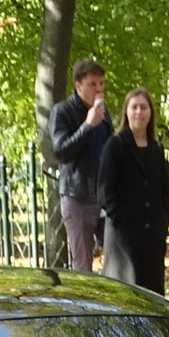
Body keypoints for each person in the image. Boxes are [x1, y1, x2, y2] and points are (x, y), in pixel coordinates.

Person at [100, 86, 169, 294]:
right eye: (134, 107)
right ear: (126, 112)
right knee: (126, 295)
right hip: (123, 239)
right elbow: (105, 192)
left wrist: (162, 220)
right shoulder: (115, 146)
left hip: (152, 238)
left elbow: (165, 191)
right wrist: (123, 221)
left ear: (151, 113)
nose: (139, 112)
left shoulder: (156, 150)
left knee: (152, 296)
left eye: (144, 108)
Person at [47, 58, 110, 271]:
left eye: (101, 84)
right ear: (78, 86)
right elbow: (61, 152)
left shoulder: (104, 113)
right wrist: (87, 125)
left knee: (114, 254)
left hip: (104, 196)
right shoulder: (62, 112)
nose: (99, 89)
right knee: (82, 264)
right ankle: (84, 304)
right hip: (77, 197)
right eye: (93, 84)